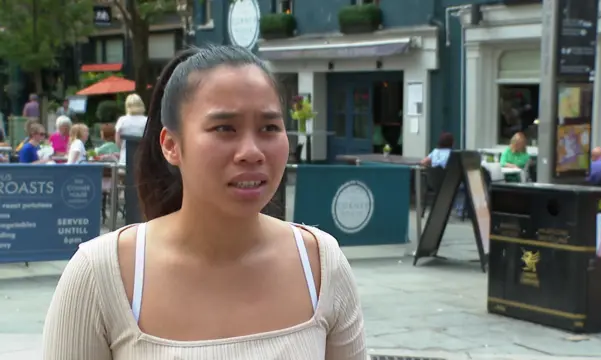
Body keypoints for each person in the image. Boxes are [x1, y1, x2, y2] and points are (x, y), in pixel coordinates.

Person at [43, 45, 366, 359]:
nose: (252, 151)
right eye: (225, 128)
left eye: (269, 127)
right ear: (171, 145)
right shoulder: (101, 274)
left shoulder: (322, 264)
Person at [115, 93, 147, 166]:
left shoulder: (122, 120)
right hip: (142, 159)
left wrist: (122, 148)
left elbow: (118, 141)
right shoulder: (147, 121)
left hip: (125, 159)